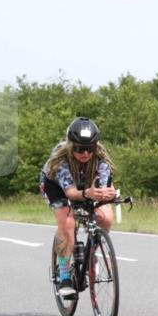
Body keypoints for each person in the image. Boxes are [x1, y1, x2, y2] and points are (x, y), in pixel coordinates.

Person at [38, 117, 117, 297]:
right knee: (67, 222)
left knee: (106, 217)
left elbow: (103, 188)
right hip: (57, 187)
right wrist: (87, 194)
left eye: (89, 148)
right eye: (80, 148)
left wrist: (107, 193)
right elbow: (71, 192)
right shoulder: (60, 159)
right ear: (70, 145)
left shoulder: (101, 158)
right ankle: (64, 275)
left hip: (86, 185)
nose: (85, 153)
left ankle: (93, 253)